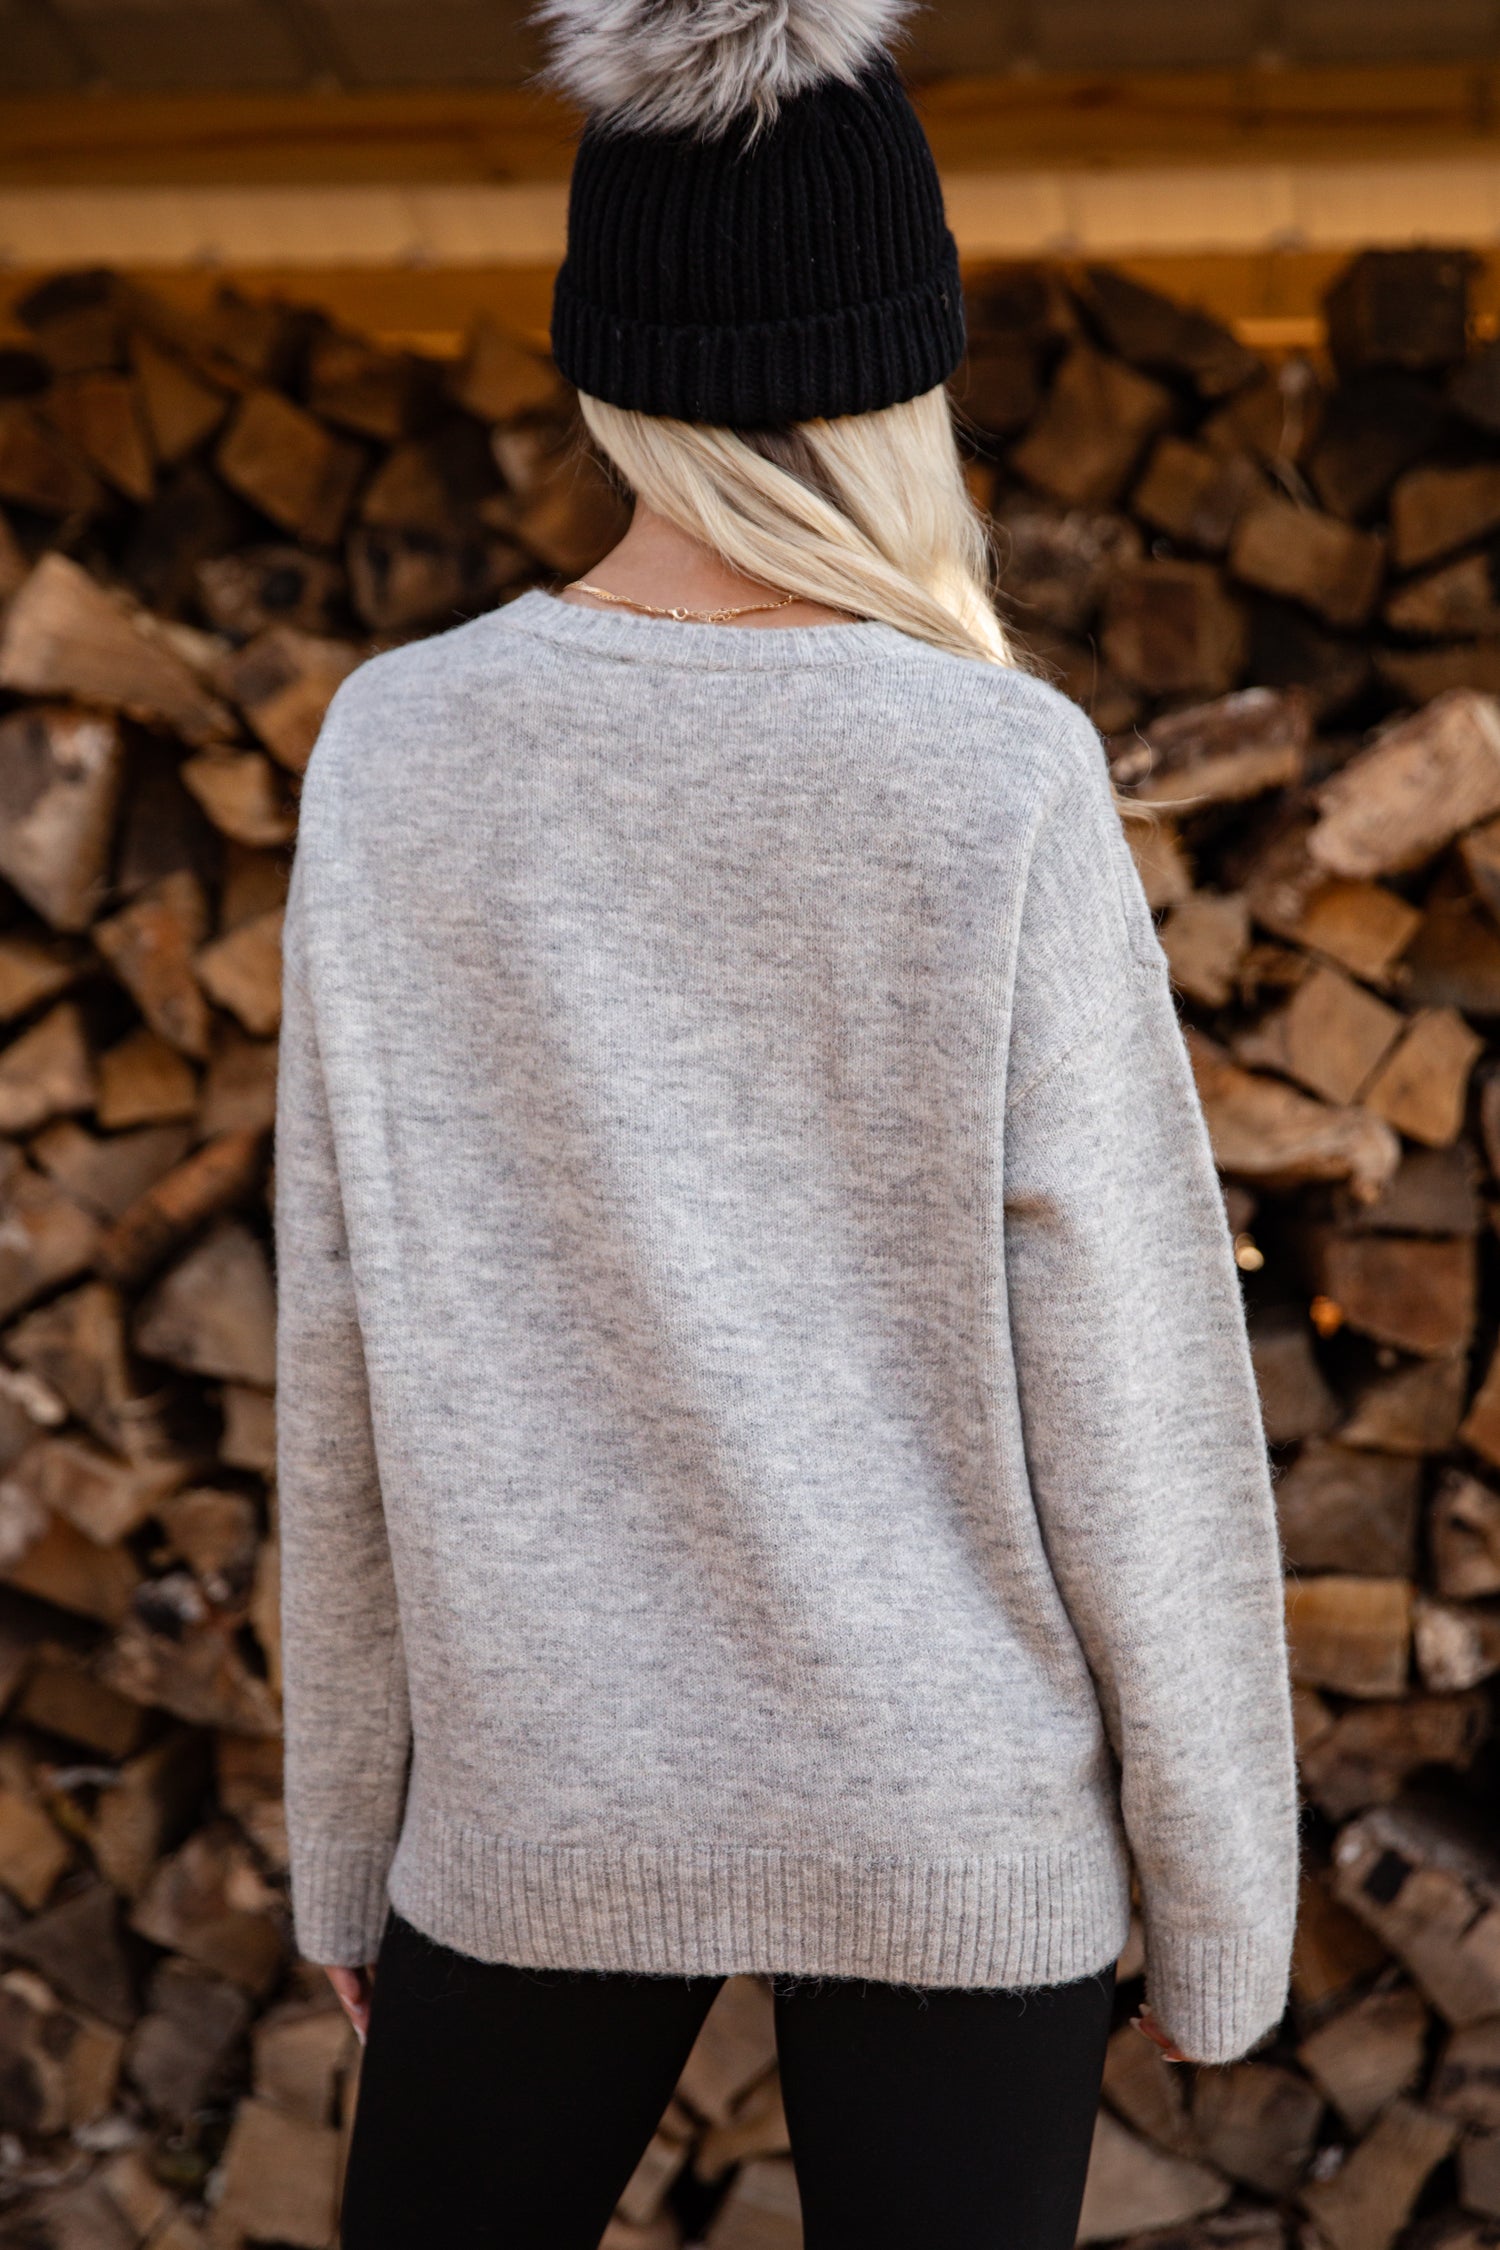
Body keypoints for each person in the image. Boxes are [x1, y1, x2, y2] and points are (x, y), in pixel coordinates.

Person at [271, 4, 1301, 2244]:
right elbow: (1128, 1363)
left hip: (539, 1802)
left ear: (602, 360)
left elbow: (337, 1343)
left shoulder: (397, 752)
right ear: (899, 369)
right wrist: (1220, 1904)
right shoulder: (993, 770)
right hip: (958, 1817)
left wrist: (345, 1835)